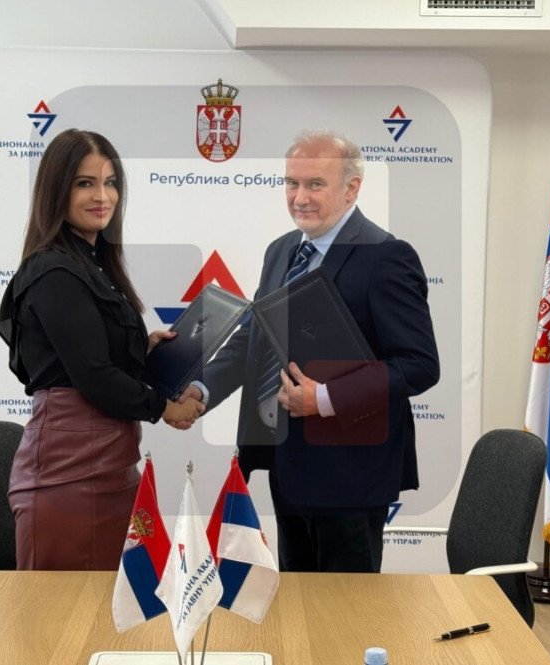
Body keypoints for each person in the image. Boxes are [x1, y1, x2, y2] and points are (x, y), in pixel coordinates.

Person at [181, 130, 439, 573]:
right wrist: (201, 389)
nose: (299, 197)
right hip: (287, 465)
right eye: (292, 183)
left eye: (315, 184)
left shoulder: (386, 256)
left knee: (346, 608)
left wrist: (323, 398)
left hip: (351, 475)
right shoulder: (281, 250)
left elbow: (418, 365)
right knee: (298, 603)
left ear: (351, 188)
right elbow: (255, 336)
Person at [0, 128, 203, 571]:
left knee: (109, 605)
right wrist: (165, 407)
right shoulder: (54, 269)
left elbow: (90, 355)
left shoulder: (91, 263)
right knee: (61, 611)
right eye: (85, 183)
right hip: (68, 475)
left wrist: (141, 349)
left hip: (109, 465)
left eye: (110, 183)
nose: (102, 196)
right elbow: (92, 375)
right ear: (57, 190)